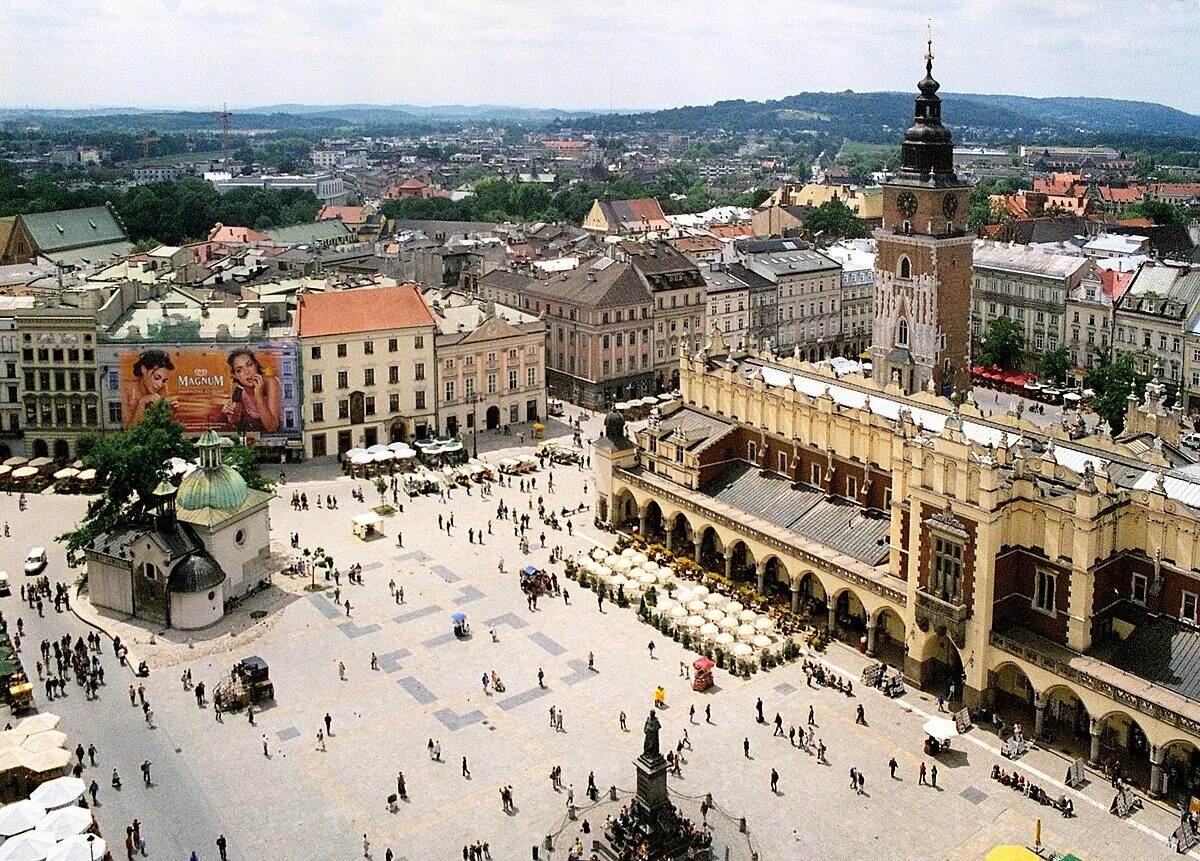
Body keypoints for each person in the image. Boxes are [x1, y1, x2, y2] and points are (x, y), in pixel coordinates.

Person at [221, 348, 283, 433]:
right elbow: (236, 418)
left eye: (249, 365)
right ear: (235, 376)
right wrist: (230, 415)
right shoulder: (237, 387)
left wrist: (258, 397)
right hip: (256, 432)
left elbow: (272, 428)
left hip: (278, 431)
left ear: (256, 365)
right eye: (239, 370)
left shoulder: (271, 383)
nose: (247, 372)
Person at [125, 349, 179, 425]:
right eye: (156, 377)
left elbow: (164, 426)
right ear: (143, 369)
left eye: (164, 380)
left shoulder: (163, 388)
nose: (159, 384)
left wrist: (172, 412)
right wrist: (142, 402)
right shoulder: (128, 388)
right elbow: (129, 431)